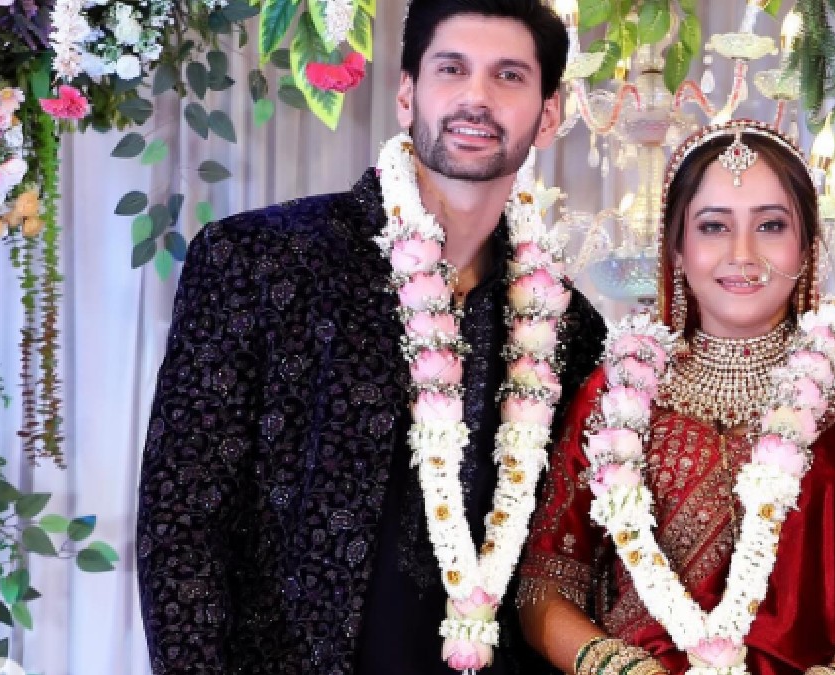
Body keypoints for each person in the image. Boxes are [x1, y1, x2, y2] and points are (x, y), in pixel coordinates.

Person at [135, 1, 606, 673]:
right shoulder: (262, 261)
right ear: (407, 94)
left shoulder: (568, 328)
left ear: (548, 115)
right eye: (452, 69)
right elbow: (181, 528)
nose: (476, 96)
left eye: (508, 75)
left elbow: (560, 562)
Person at [515, 119, 835, 675]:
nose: (743, 254)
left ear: (806, 247)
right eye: (713, 226)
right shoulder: (613, 393)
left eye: (771, 225)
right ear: (677, 249)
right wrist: (618, 669)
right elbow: (545, 586)